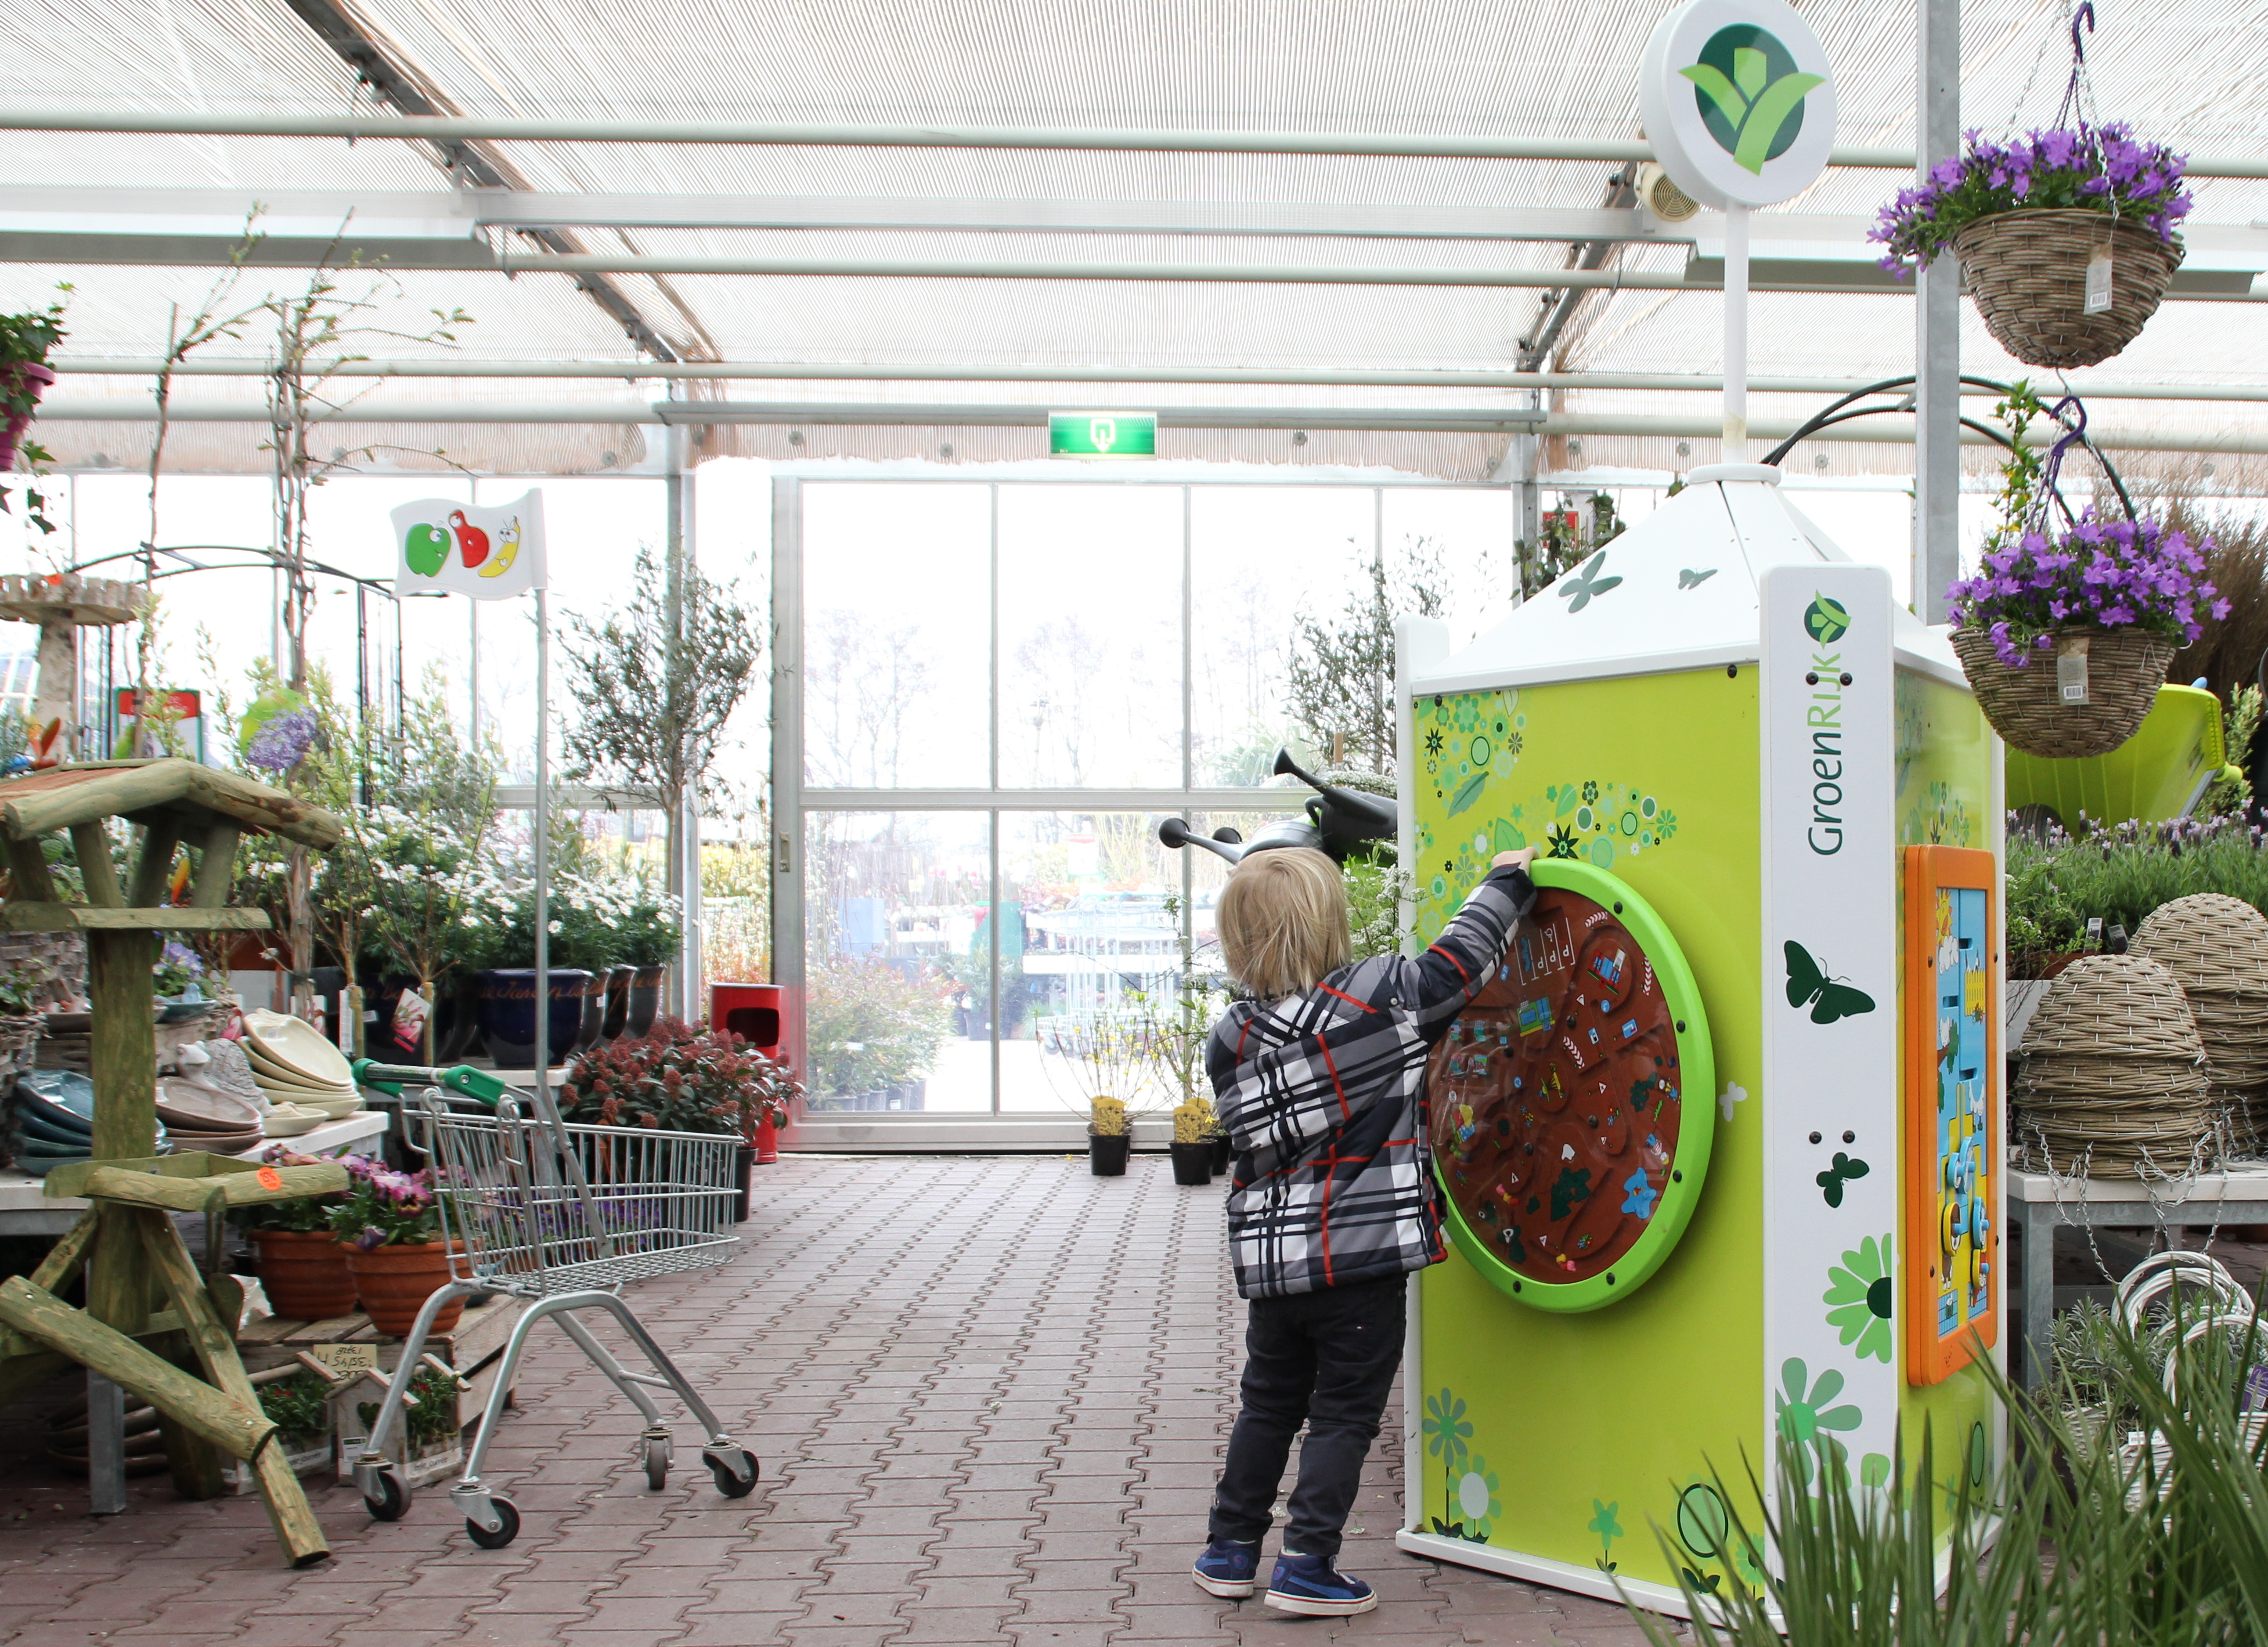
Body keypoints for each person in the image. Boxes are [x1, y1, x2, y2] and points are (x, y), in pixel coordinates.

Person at [1191, 842, 1537, 1617]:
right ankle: (1307, 1562)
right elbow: (1463, 959)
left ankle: (1230, 1546)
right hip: (1362, 1262)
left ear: (1240, 942)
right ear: (1331, 926)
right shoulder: (1384, 996)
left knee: (1269, 1401)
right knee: (1346, 1411)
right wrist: (1506, 880)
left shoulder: (1231, 1037)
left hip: (1277, 1268)